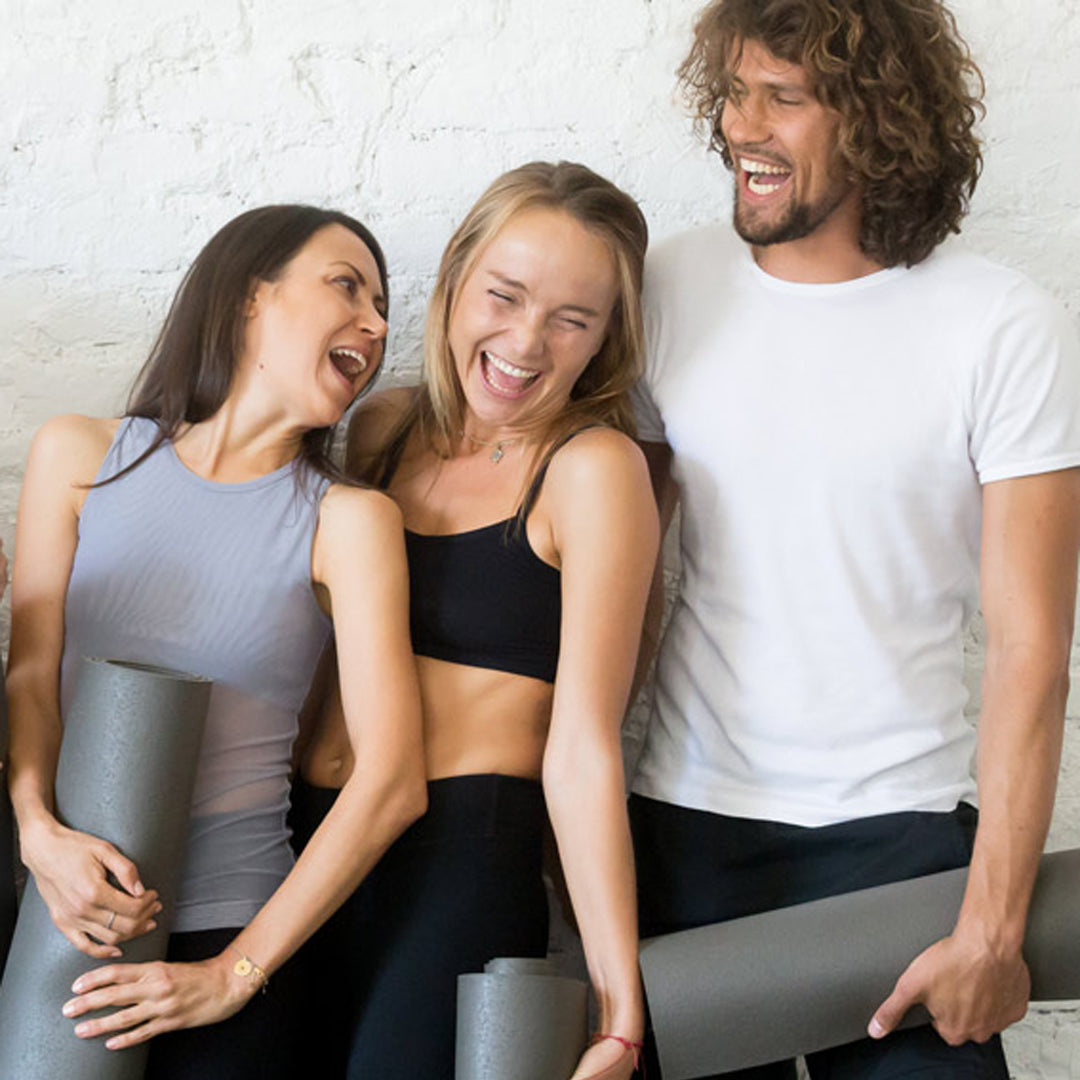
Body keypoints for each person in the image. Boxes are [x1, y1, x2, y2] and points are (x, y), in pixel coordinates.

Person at [629, 1, 1080, 1077]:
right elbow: (613, 573)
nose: (744, 127)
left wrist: (992, 927)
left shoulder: (1001, 325)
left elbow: (1032, 649)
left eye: (783, 99)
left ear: (880, 121)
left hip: (900, 842)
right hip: (682, 822)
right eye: (735, 93)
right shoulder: (666, 286)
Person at [4, 205, 427, 1078]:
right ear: (248, 295)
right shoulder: (79, 456)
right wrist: (38, 833)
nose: (379, 325)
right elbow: (32, 678)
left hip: (235, 938)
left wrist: (231, 978)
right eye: (347, 286)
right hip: (65, 916)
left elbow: (392, 782)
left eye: (383, 307)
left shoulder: (348, 522)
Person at [298, 161, 658, 1080]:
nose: (527, 341)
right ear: (456, 277)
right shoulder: (382, 428)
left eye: (572, 319)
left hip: (459, 860)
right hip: (303, 839)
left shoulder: (591, 469)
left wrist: (618, 1007)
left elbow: (584, 746)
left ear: (604, 339)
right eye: (504, 295)